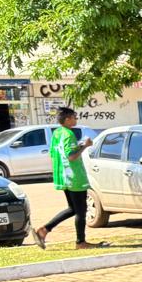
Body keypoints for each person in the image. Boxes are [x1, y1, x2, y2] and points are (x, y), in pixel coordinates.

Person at [34, 107, 101, 250]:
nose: (76, 119)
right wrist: (85, 145)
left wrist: (78, 146)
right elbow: (71, 156)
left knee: (73, 209)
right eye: (74, 117)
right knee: (81, 211)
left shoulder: (57, 133)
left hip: (64, 176)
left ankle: (44, 230)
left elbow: (54, 154)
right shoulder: (68, 134)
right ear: (67, 119)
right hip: (74, 177)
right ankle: (80, 242)